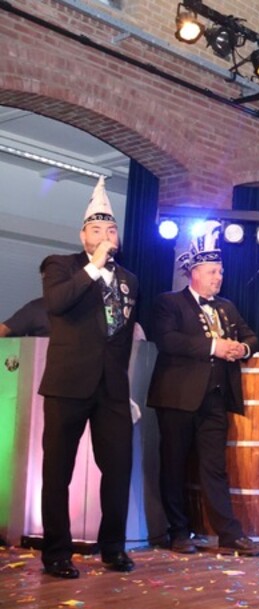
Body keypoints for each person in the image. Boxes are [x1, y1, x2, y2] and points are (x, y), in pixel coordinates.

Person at [147, 221, 259, 557]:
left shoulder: (226, 307)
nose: (219, 277)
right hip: (177, 398)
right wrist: (215, 346)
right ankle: (178, 531)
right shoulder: (169, 302)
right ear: (195, 273)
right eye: (213, 271)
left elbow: (251, 336)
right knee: (174, 465)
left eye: (221, 271)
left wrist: (242, 349)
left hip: (215, 399)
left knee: (215, 468)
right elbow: (168, 340)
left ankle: (229, 534)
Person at [38, 176, 139, 579]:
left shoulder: (130, 279)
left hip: (112, 388)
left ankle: (113, 548)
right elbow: (57, 304)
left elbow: (122, 334)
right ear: (83, 235)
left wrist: (124, 385)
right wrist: (93, 266)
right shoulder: (60, 266)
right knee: (57, 471)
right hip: (68, 384)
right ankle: (56, 553)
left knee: (118, 468)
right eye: (96, 230)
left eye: (111, 230)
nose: (104, 236)